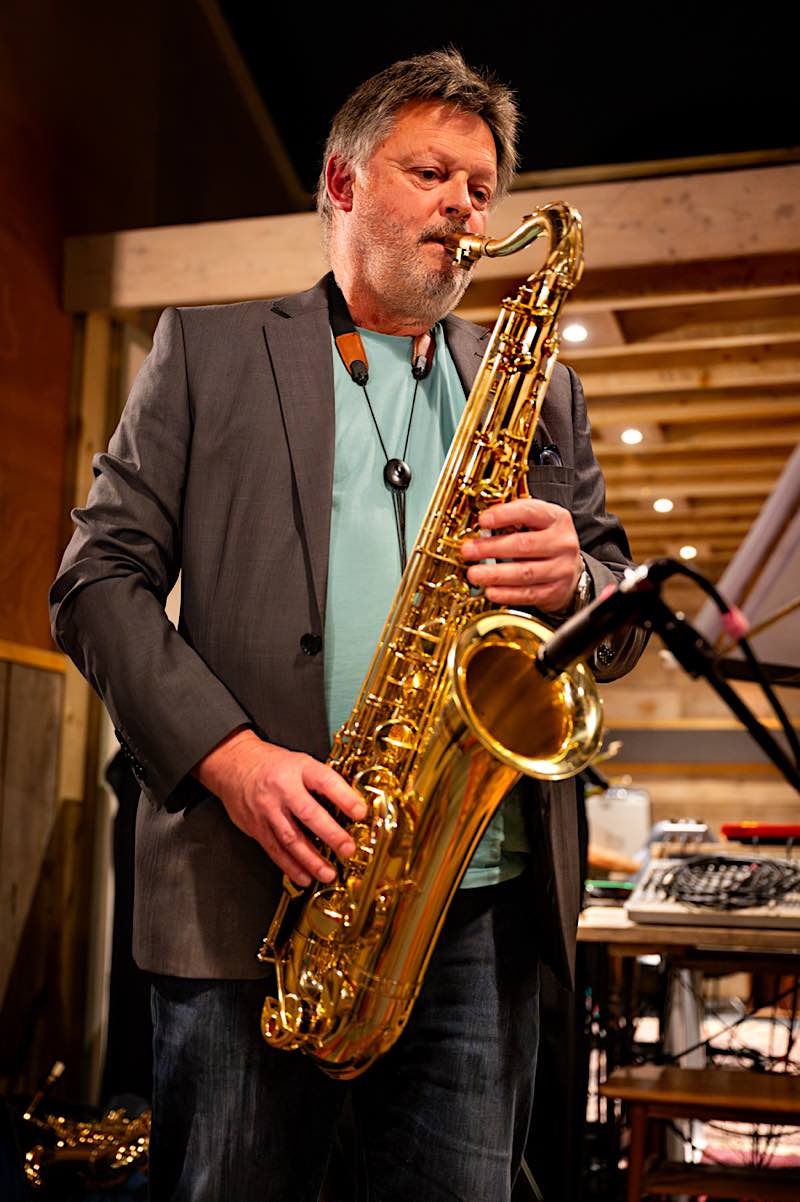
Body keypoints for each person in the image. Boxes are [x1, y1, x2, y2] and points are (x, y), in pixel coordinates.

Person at [50, 50, 645, 1202]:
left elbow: (613, 617)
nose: (463, 208)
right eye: (431, 174)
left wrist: (577, 579)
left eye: (480, 187)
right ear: (341, 180)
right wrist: (232, 759)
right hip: (250, 900)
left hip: (476, 913)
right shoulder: (208, 352)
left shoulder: (541, 389)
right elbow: (96, 581)